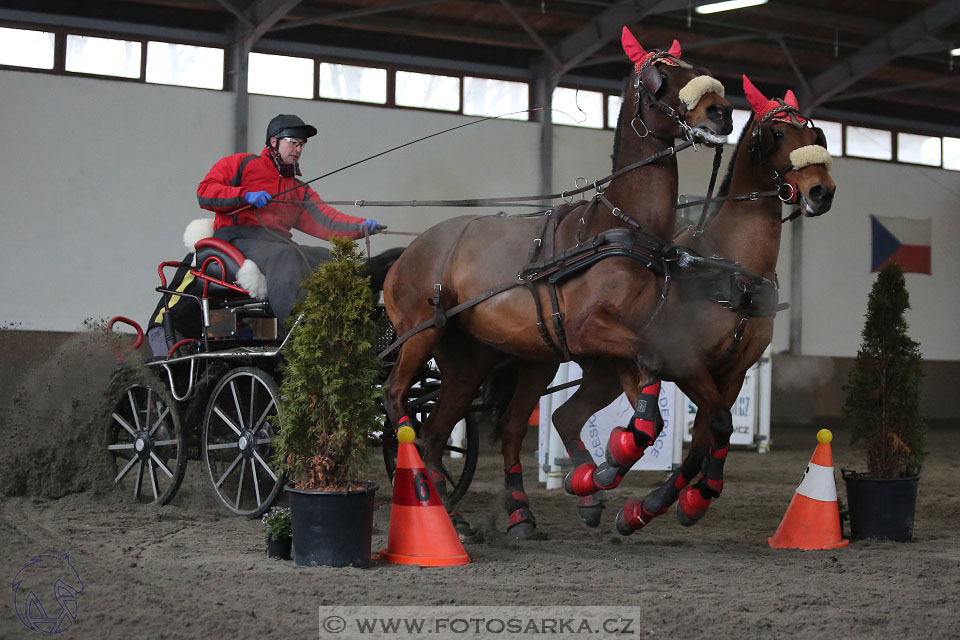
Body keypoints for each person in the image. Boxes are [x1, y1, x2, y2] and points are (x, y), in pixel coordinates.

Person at [196, 113, 383, 326]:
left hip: (276, 242)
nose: (299, 150)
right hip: (237, 238)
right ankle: (296, 324)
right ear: (274, 142)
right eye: (293, 143)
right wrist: (244, 195)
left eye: (302, 145)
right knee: (285, 255)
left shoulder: (297, 188)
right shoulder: (240, 163)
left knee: (324, 257)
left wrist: (360, 226)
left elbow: (326, 220)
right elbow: (205, 192)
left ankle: (343, 320)